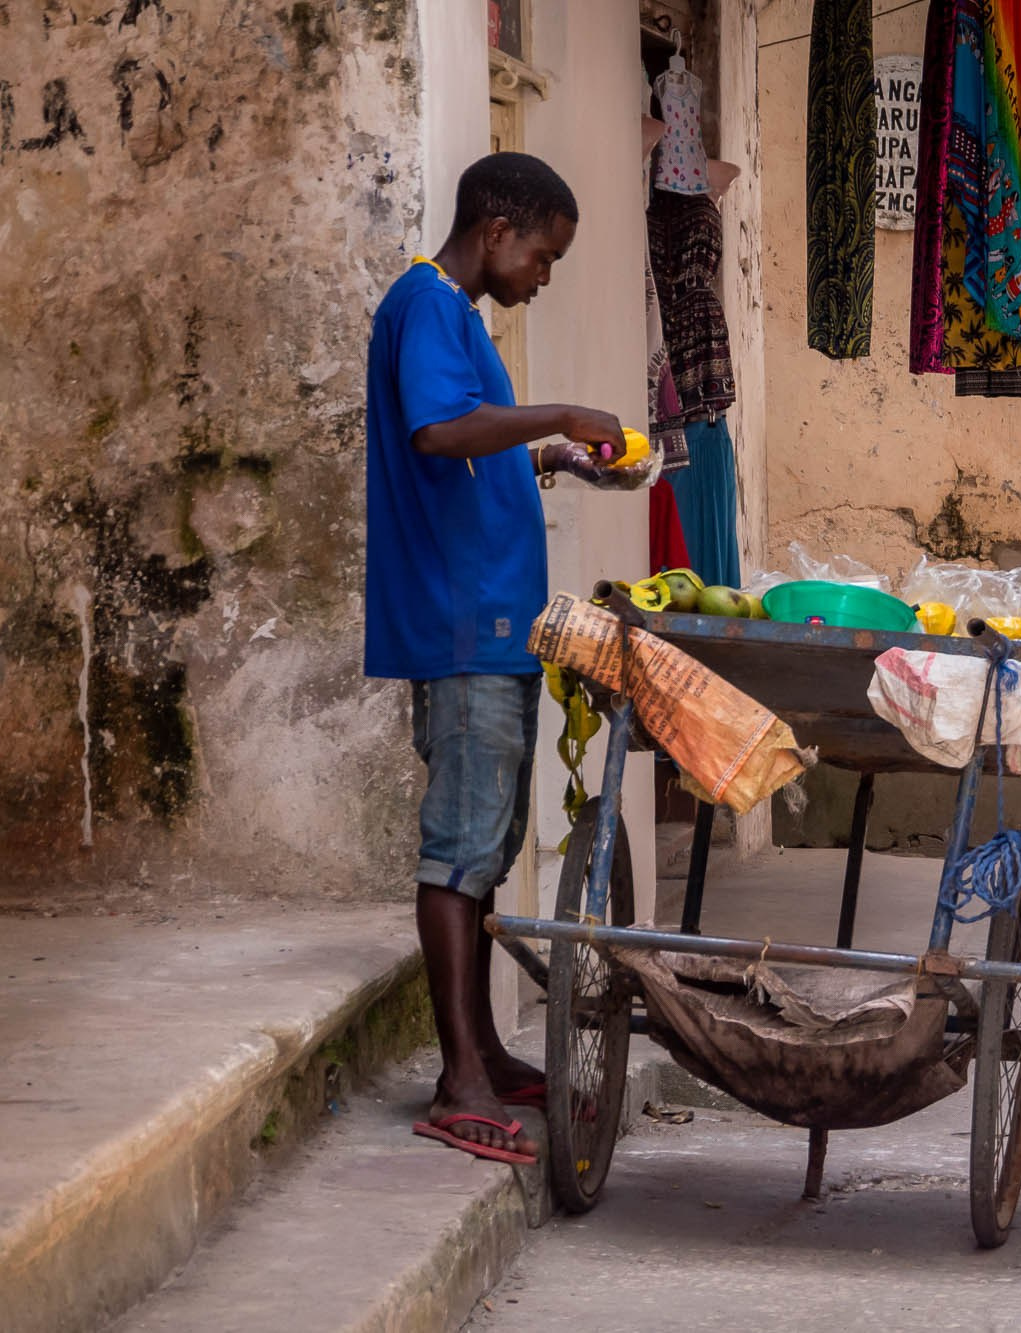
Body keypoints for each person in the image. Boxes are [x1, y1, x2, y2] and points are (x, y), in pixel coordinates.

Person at [365, 152, 630, 1165]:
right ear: (495, 231)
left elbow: (472, 447)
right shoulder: (427, 306)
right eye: (542, 256)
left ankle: (478, 1051)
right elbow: (438, 432)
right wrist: (561, 413)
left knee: (485, 850)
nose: (544, 276)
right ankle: (459, 1081)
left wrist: (548, 456)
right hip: (462, 622)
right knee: (460, 852)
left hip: (493, 623)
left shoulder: (457, 318)